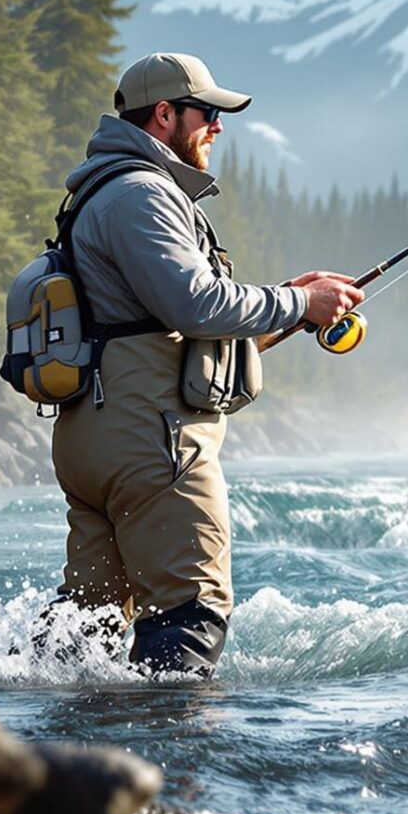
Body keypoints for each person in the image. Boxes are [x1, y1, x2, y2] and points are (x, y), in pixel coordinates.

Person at [38, 52, 363, 676]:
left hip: (99, 432)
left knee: (90, 624)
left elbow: (155, 328)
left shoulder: (106, 190)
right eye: (208, 113)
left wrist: (294, 311)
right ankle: (170, 767)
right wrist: (298, 299)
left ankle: (44, 744)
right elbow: (193, 303)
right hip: (151, 439)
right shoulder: (141, 193)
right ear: (165, 115)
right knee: (192, 607)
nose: (218, 127)